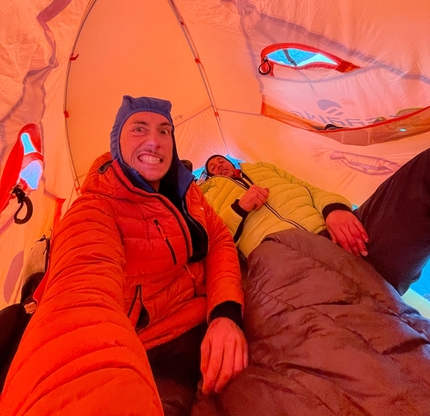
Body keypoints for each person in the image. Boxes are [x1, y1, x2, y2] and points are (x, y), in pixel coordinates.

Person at [1, 97, 246, 416]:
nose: (154, 140)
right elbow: (80, 301)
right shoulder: (96, 208)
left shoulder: (189, 191)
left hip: (195, 317)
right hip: (142, 345)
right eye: (139, 129)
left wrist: (226, 313)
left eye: (164, 130)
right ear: (116, 142)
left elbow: (220, 239)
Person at [201, 152, 430, 295]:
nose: (219, 165)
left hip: (340, 237)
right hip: (293, 264)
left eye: (221, 160)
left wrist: (335, 210)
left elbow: (309, 188)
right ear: (209, 176)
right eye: (213, 167)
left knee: (422, 171)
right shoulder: (210, 196)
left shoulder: (262, 168)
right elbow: (219, 242)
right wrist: (241, 206)